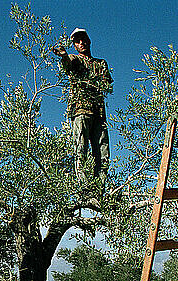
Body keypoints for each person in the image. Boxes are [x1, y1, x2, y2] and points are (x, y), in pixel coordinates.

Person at [52, 28, 113, 186]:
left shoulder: (101, 63)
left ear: (89, 40)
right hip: (80, 110)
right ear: (74, 45)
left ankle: (99, 187)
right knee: (81, 149)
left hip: (99, 112)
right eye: (77, 41)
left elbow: (108, 85)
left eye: (83, 39)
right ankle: (84, 187)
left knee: (102, 151)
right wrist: (64, 55)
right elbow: (67, 65)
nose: (81, 43)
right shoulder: (74, 59)